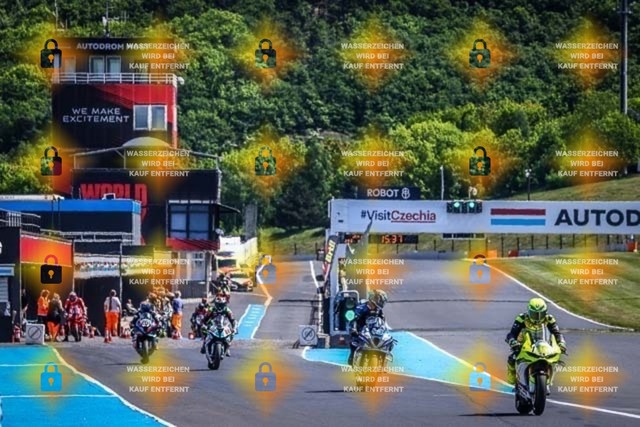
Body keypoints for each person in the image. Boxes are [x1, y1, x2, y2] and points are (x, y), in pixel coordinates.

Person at [505, 297, 567, 388]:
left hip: (544, 344)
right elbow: (512, 333)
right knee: (512, 358)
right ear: (529, 312)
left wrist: (561, 343)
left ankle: (549, 379)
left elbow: (557, 333)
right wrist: (513, 342)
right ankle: (512, 381)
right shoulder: (522, 318)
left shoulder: (549, 319)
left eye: (540, 314)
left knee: (557, 358)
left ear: (545, 312)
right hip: (524, 345)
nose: (538, 318)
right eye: (534, 314)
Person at [347, 289, 388, 366]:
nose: (381, 302)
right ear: (373, 298)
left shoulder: (378, 310)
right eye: (379, 300)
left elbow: (382, 320)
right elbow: (354, 319)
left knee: (387, 341)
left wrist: (384, 330)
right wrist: (353, 329)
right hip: (360, 329)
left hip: (373, 329)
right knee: (354, 342)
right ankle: (352, 355)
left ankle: (383, 361)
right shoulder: (361, 308)